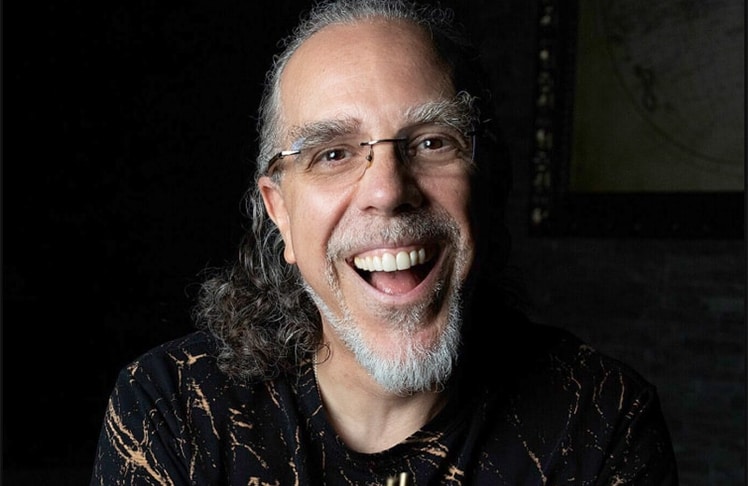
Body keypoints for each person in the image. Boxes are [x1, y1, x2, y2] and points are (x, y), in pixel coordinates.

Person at [90, 0, 679, 484]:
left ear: (484, 180)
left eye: (432, 142)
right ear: (280, 213)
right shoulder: (173, 408)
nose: (388, 190)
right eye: (333, 154)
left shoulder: (600, 421)